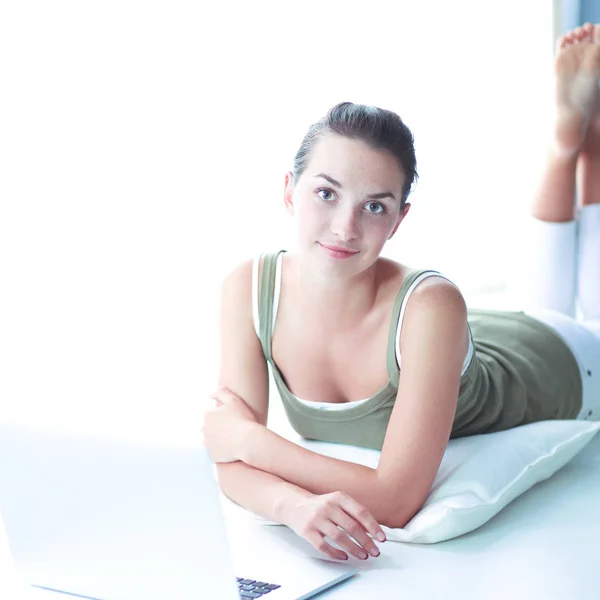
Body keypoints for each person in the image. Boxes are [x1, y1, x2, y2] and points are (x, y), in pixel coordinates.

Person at [202, 23, 600, 563]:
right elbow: (227, 463)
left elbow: (395, 498)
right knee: (540, 298)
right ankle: (568, 141)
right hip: (472, 336)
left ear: (399, 220)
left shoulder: (433, 303)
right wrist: (293, 507)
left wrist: (251, 441)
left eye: (374, 206)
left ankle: (583, 141)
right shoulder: (248, 289)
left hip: (565, 362)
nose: (345, 228)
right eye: (326, 193)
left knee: (585, 317)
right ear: (289, 192)